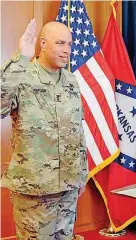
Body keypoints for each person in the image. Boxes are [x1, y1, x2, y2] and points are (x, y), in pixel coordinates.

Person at [1, 19, 88, 240]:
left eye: (69, 44)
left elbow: (78, 130)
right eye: (60, 43)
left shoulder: (70, 81)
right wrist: (21, 57)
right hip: (35, 188)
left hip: (68, 184)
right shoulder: (22, 76)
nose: (66, 50)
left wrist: (81, 174)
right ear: (42, 44)